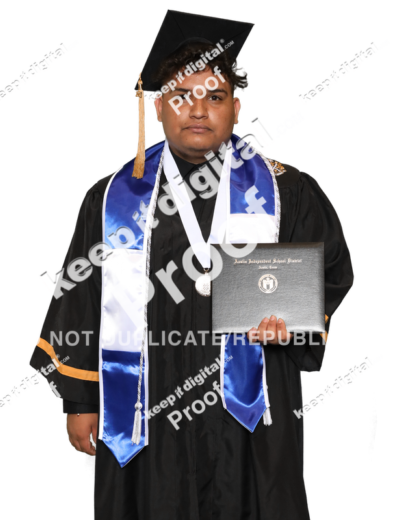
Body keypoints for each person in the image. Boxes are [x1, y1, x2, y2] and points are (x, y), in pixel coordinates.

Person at [29, 9, 354, 519]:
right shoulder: (113, 198)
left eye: (215, 97)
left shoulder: (285, 189)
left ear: (237, 109)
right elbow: (82, 299)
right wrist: (80, 402)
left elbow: (328, 274)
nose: (198, 110)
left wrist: (293, 322)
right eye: (181, 96)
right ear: (157, 107)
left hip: (254, 411)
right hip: (147, 407)